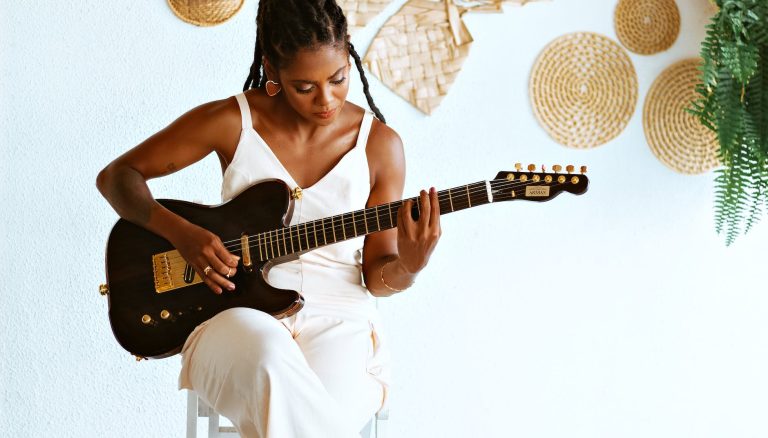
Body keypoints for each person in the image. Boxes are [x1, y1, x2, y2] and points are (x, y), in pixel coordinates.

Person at [96, 0, 442, 436]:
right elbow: (117, 178)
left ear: (349, 52)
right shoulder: (230, 121)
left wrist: (409, 267)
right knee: (267, 360)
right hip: (234, 308)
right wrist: (181, 234)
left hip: (341, 317)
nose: (327, 99)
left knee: (316, 413)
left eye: (338, 78)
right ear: (272, 72)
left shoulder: (380, 146)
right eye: (304, 86)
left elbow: (378, 276)